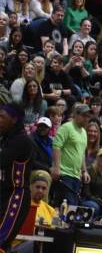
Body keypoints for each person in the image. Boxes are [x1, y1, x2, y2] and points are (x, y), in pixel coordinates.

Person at [0, 103, 34, 253]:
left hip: (16, 197)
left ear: (14, 119)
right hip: (3, 193)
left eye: (2, 117)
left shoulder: (21, 141)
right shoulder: (6, 139)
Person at [51, 104, 92, 205]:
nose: (87, 119)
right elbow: (57, 146)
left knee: (72, 207)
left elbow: (81, 153)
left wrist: (84, 171)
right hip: (64, 173)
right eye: (84, 115)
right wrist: (56, 168)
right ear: (76, 115)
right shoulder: (66, 127)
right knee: (66, 205)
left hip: (76, 175)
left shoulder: (83, 132)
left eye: (88, 116)